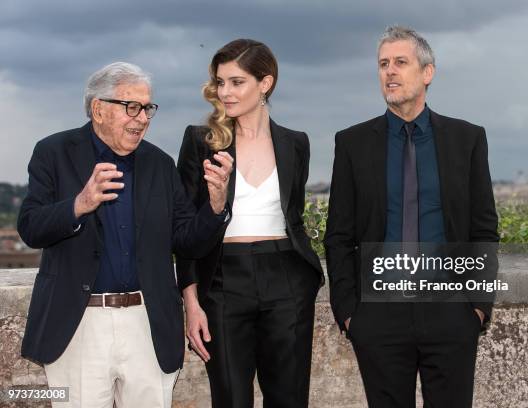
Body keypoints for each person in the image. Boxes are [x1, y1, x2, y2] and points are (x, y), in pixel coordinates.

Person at [17, 62, 233, 408]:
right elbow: (30, 227)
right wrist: (80, 204)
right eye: (131, 107)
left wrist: (216, 205)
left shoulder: (160, 164)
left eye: (148, 108)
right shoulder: (54, 152)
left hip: (147, 322)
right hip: (79, 323)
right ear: (98, 109)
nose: (142, 118)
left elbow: (188, 240)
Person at [324, 26, 499, 407]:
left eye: (400, 62)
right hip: (377, 314)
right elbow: (338, 234)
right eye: (383, 64)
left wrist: (478, 307)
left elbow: (484, 227)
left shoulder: (466, 139)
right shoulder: (352, 143)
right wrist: (349, 312)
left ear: (427, 73)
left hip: (451, 310)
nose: (390, 72)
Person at [176, 39, 323, 408]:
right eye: (220, 82)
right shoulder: (200, 141)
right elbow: (184, 231)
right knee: (230, 399)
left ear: (265, 83)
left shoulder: (296, 143)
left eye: (236, 82)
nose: (225, 92)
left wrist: (304, 284)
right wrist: (191, 301)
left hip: (287, 277)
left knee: (289, 400)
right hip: (223, 281)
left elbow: (294, 217)